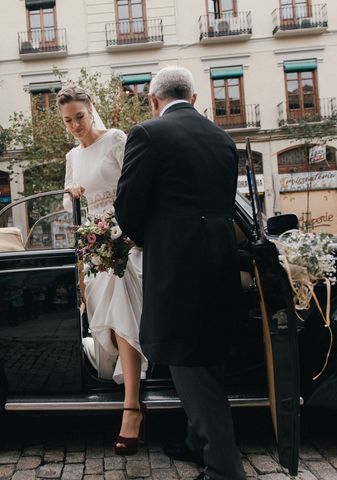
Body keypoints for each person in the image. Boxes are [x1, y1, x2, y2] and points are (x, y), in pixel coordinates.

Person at [114, 66, 245, 480]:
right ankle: (194, 441)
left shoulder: (148, 133)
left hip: (177, 263)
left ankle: (225, 467)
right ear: (193, 98)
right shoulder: (222, 139)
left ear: (154, 101)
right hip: (220, 260)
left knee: (190, 363)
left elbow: (128, 206)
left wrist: (143, 239)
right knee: (205, 356)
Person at [58, 85, 148, 456]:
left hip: (127, 240)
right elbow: (67, 201)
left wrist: (126, 233)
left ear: (91, 108)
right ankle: (124, 387)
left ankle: (131, 409)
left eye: (79, 116)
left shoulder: (116, 139)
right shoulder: (71, 156)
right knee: (103, 317)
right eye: (68, 121)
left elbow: (136, 185)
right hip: (94, 245)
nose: (76, 125)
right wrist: (73, 191)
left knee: (123, 305)